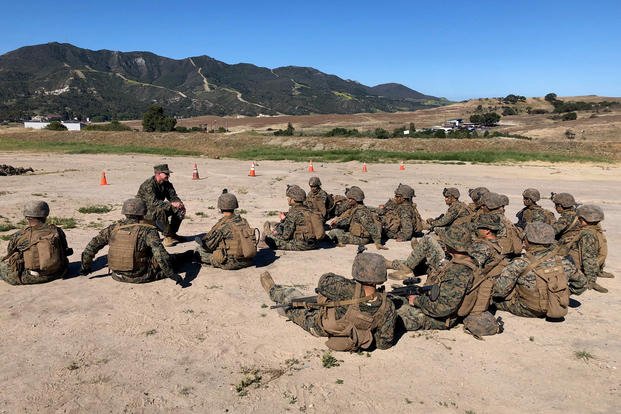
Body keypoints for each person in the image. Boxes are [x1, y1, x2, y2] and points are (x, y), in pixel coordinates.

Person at [260, 251, 396, 351]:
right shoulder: (388, 305)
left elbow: (324, 281)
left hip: (321, 326)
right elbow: (384, 343)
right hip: (351, 333)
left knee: (292, 305)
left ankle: (273, 290)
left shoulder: (346, 288)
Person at [395, 225, 500, 335]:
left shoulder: (459, 272)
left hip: (442, 318)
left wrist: (416, 300)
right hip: (435, 303)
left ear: (453, 245)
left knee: (394, 317)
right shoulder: (466, 260)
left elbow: (443, 308)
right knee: (396, 299)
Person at [492, 222, 587, 318]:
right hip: (555, 305)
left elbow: (499, 291)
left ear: (527, 240)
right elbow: (582, 284)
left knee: (492, 300)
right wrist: (560, 294)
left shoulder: (520, 263)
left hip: (528, 309)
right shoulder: (562, 261)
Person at [80, 198, 182, 284]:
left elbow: (92, 247)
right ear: (143, 212)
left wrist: (85, 267)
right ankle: (191, 255)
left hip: (116, 275)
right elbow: (160, 255)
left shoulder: (113, 228)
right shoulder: (147, 230)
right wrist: (171, 274)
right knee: (175, 258)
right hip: (141, 275)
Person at [0, 201, 72, 285]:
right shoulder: (57, 231)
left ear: (27, 216)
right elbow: (65, 250)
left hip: (32, 277)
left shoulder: (20, 235)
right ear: (46, 214)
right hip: (60, 272)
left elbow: (10, 252)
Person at [195, 189, 256, 270]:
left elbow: (209, 246)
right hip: (248, 260)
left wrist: (202, 243)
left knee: (198, 251)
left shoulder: (224, 226)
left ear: (221, 208)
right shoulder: (244, 221)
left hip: (231, 263)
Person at [136, 164, 185, 247]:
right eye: (166, 174)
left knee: (179, 210)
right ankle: (168, 236)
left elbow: (173, 196)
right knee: (160, 211)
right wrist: (171, 204)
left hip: (156, 207)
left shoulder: (166, 184)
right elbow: (153, 203)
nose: (168, 175)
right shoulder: (149, 185)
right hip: (144, 211)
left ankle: (172, 233)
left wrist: (179, 203)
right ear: (158, 174)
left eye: (168, 174)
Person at [565, 205, 610, 293]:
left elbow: (590, 257)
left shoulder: (589, 233)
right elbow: (591, 257)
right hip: (578, 266)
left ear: (583, 220)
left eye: (579, 219)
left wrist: (591, 280)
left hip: (580, 266)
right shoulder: (592, 232)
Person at [262, 185, 322, 251]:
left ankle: (267, 235)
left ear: (293, 199)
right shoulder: (309, 210)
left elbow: (286, 236)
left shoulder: (293, 213)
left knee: (269, 239)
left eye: (289, 197)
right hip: (314, 244)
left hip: (301, 245)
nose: (288, 199)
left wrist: (276, 233)